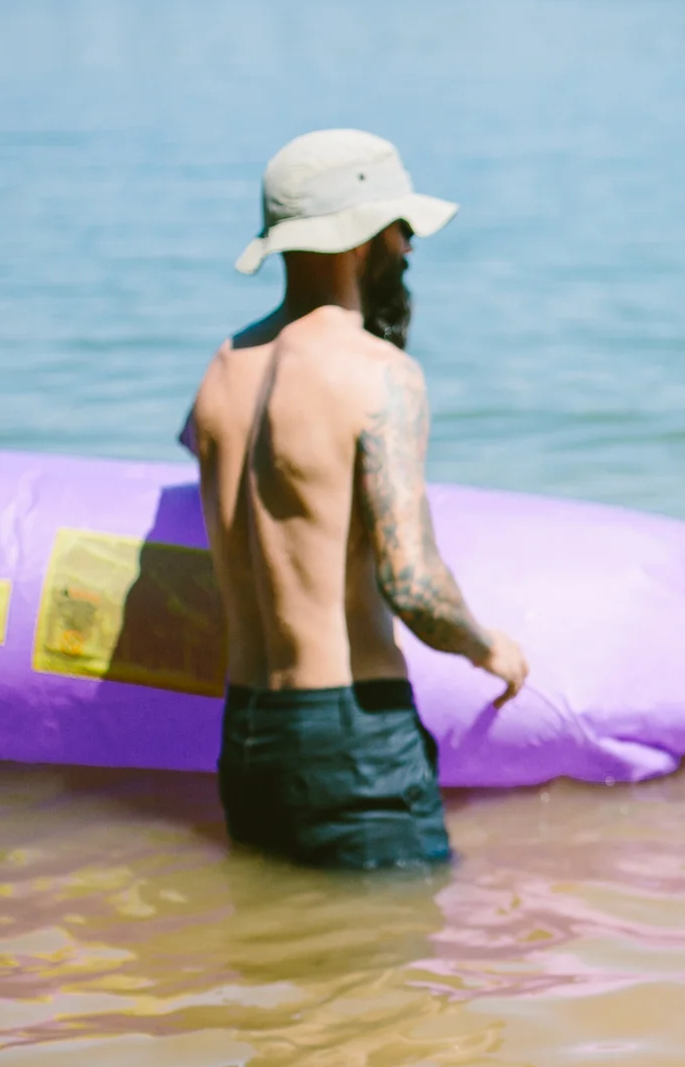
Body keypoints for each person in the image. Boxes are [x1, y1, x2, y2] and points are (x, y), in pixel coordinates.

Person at [185, 129, 528, 869]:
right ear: (363, 238)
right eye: (401, 228)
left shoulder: (223, 369)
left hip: (247, 737)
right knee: (400, 938)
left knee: (285, 935)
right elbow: (413, 583)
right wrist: (488, 647)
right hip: (352, 730)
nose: (409, 247)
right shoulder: (379, 374)